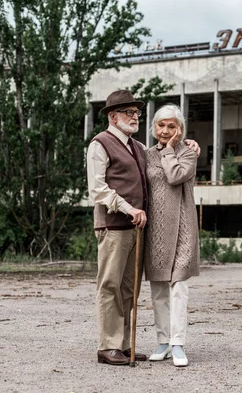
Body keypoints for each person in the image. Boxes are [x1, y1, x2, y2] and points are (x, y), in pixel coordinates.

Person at [87, 90, 199, 366]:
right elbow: (97, 189)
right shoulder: (99, 144)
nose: (135, 117)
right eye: (129, 113)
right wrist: (129, 209)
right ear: (114, 116)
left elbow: (169, 167)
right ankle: (108, 346)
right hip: (114, 225)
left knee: (129, 290)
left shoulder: (139, 148)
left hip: (138, 230)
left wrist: (187, 144)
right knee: (110, 286)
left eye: (137, 113)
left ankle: (123, 345)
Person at [143, 104, 200, 367]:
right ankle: (163, 341)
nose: (165, 131)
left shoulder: (188, 153)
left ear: (180, 129)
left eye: (171, 126)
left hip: (182, 229)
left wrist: (168, 151)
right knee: (158, 290)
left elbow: (175, 176)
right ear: (153, 127)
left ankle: (178, 344)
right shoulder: (144, 155)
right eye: (161, 125)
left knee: (178, 287)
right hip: (155, 230)